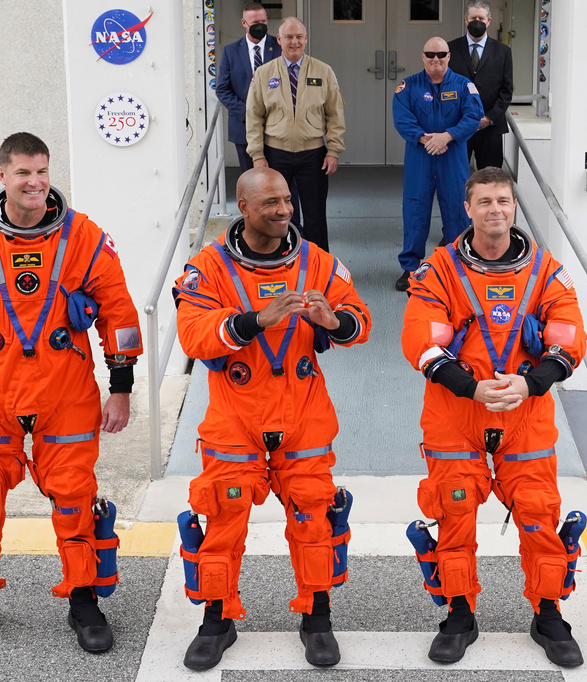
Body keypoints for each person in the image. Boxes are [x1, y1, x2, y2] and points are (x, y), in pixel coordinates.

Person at [0, 132, 143, 654]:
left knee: (73, 495)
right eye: (23, 173)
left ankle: (83, 597)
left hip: (65, 391)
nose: (34, 183)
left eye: (41, 172)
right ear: (2, 175)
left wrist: (122, 389)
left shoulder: (84, 237)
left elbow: (118, 313)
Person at [173, 167, 371, 670]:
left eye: (286, 200)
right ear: (243, 206)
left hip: (302, 411)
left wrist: (334, 321)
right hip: (236, 415)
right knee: (222, 516)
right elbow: (194, 335)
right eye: (271, 203)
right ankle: (217, 621)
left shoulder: (317, 262)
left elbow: (361, 320)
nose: (284, 210)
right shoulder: (209, 267)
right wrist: (254, 320)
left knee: (314, 516)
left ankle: (317, 616)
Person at [401, 167, 587, 667]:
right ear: (468, 209)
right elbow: (420, 341)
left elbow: (569, 336)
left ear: (514, 206)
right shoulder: (437, 271)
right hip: (456, 412)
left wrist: (530, 383)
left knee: (538, 512)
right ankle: (459, 615)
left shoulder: (547, 272)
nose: (495, 210)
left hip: (526, 411)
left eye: (503, 200)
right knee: (454, 513)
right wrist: (472, 387)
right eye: (484, 202)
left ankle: (548, 615)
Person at [246, 17, 345, 252]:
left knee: (315, 214)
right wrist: (257, 155)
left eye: (299, 37)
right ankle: (278, 261)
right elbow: (253, 116)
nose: (294, 42)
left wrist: (333, 150)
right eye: (289, 37)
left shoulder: (323, 71)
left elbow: (335, 114)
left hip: (313, 155)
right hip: (274, 154)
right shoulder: (263, 73)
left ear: (306, 39)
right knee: (275, 213)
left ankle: (318, 266)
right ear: (279, 40)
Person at [392, 36, 483, 292]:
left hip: (452, 157)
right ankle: (410, 268)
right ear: (422, 56)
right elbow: (402, 118)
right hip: (420, 157)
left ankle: (458, 267)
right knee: (415, 210)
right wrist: (424, 139)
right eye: (430, 54)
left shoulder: (465, 86)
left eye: (441, 54)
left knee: (456, 209)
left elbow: (474, 116)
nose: (436, 59)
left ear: (449, 56)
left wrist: (447, 136)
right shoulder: (408, 86)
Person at [216, 3, 281, 174]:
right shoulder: (231, 51)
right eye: (255, 22)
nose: (260, 25)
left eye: (264, 21)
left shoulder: (281, 47)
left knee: (282, 181)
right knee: (252, 180)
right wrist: (248, 113)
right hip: (243, 128)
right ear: (244, 23)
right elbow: (222, 89)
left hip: (279, 127)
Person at [448, 1, 514, 170]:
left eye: (481, 18)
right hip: (458, 126)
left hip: (490, 128)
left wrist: (489, 118)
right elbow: (444, 86)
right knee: (455, 176)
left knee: (489, 178)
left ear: (489, 21)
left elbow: (506, 91)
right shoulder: (450, 49)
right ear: (465, 19)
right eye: (473, 18)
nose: (477, 21)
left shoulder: (503, 51)